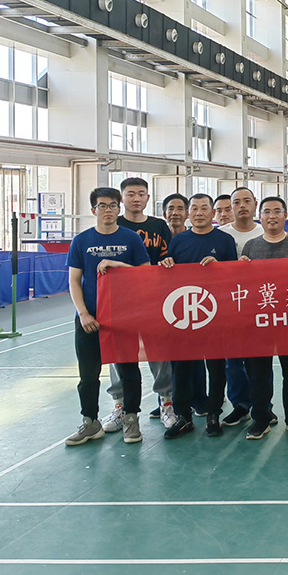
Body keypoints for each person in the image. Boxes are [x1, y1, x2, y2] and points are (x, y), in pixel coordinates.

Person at [65, 187, 150, 446]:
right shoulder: (81, 241)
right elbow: (74, 281)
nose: (108, 210)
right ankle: (91, 422)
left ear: (119, 209)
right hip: (90, 319)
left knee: (129, 370)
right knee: (88, 374)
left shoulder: (131, 239)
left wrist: (119, 265)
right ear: (94, 210)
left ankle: (131, 418)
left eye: (113, 205)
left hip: (123, 317)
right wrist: (83, 314)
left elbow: (145, 274)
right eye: (102, 206)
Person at [160, 193, 238, 438]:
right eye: (194, 208)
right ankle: (183, 416)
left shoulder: (225, 240)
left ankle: (213, 413)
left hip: (214, 314)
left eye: (205, 208)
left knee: (216, 367)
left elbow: (235, 277)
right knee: (181, 368)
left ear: (213, 213)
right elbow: (168, 277)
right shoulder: (178, 241)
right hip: (184, 316)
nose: (199, 212)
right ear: (188, 213)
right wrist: (166, 264)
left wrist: (220, 267)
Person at [102, 177, 175, 432]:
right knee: (118, 354)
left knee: (159, 352)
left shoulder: (159, 226)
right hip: (119, 302)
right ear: (122, 198)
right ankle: (120, 406)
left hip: (153, 299)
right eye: (131, 194)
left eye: (141, 194)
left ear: (147, 198)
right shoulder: (114, 226)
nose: (136, 198)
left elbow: (167, 258)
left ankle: (166, 402)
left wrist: (167, 263)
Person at [239, 196, 288, 439]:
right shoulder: (251, 246)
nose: (272, 216)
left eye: (277, 211)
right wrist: (240, 267)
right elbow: (245, 285)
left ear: (285, 216)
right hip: (259, 321)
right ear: (259, 216)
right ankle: (261, 419)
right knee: (258, 373)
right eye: (267, 211)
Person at [219, 187, 266, 427]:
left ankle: (263, 407)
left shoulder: (265, 231)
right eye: (236, 202)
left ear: (255, 203)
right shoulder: (221, 235)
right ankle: (240, 405)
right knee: (233, 361)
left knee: (260, 360)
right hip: (230, 306)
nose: (242, 206)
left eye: (247, 200)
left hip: (260, 304)